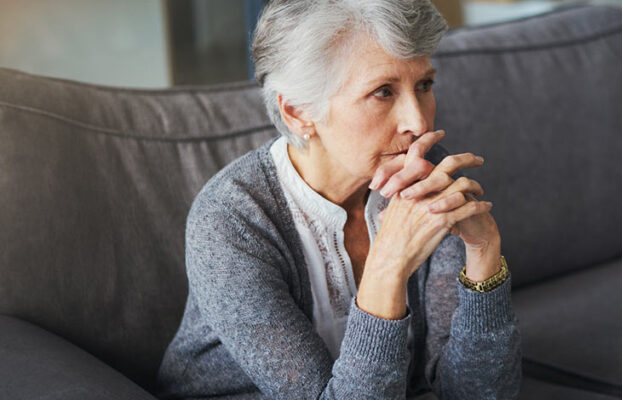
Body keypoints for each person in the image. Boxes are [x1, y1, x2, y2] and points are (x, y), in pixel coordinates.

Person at [156, 1, 521, 398]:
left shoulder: (427, 175)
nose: (418, 122)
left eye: (424, 85)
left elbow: (478, 393)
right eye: (383, 91)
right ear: (298, 113)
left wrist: (484, 256)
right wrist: (388, 267)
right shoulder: (232, 220)